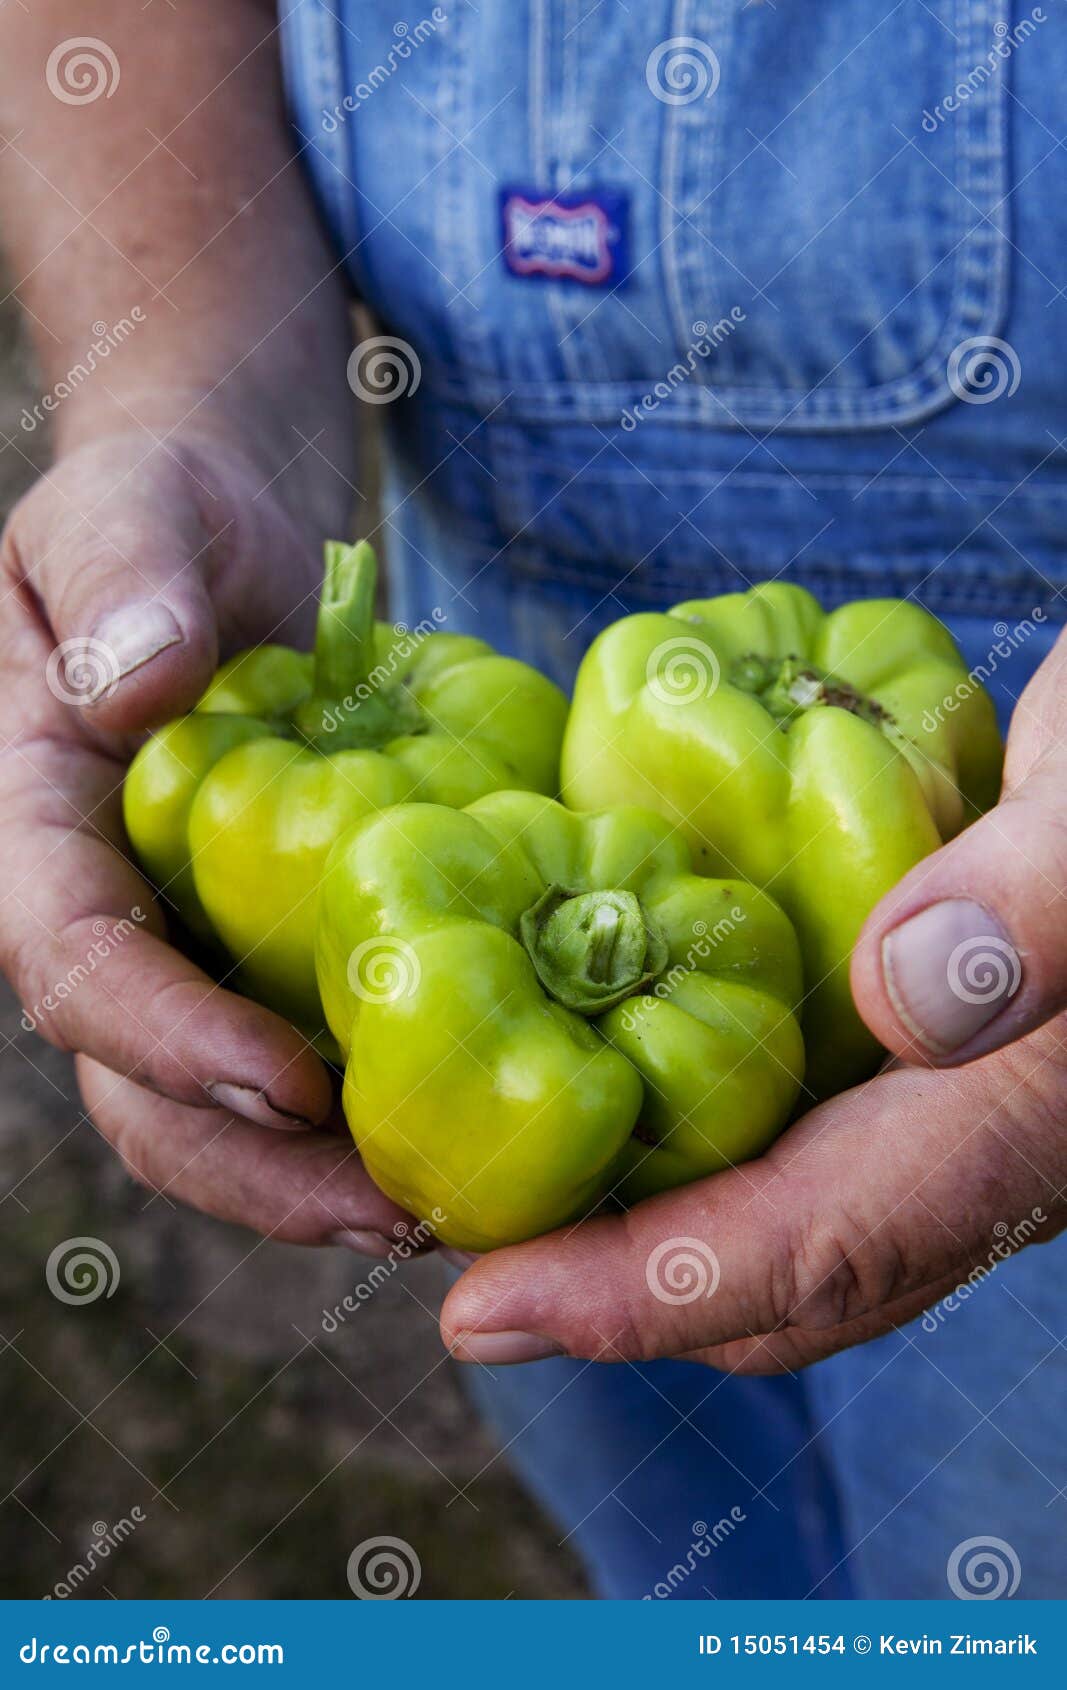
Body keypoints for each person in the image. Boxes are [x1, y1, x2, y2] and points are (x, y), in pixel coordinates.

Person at [1, 0, 1065, 1600]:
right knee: (680, 1564)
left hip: (1026, 881)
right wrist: (177, 386)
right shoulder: (468, 830)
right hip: (491, 683)